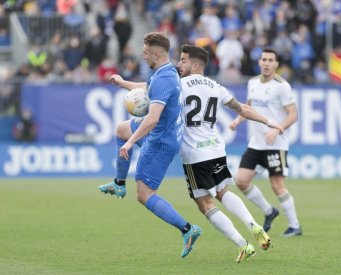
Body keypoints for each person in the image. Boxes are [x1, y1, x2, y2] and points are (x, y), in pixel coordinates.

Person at [176, 44, 284, 262]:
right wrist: (270, 121)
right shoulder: (216, 86)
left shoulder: (179, 85)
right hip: (215, 148)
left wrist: (125, 84)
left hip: (194, 153)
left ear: (195, 65)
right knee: (223, 191)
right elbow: (243, 109)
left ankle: (242, 244)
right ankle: (252, 224)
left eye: (183, 60)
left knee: (206, 204)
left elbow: (151, 89)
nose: (179, 64)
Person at [98, 32, 202, 258]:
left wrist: (131, 143)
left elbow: (152, 118)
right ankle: (119, 183)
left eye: (145, 53)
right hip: (163, 133)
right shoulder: (164, 72)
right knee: (120, 129)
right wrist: (124, 82)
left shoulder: (165, 78)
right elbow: (147, 87)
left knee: (144, 194)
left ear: (156, 53)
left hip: (160, 141)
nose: (143, 56)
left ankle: (188, 229)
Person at [229, 48, 302, 237]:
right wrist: (238, 120)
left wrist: (277, 129)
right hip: (257, 142)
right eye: (264, 59)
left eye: (271, 60)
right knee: (241, 181)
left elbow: (293, 115)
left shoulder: (282, 86)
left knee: (277, 185)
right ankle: (269, 211)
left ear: (276, 64)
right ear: (259, 62)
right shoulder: (252, 83)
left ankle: (295, 225)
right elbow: (250, 108)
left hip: (276, 144)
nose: (267, 63)